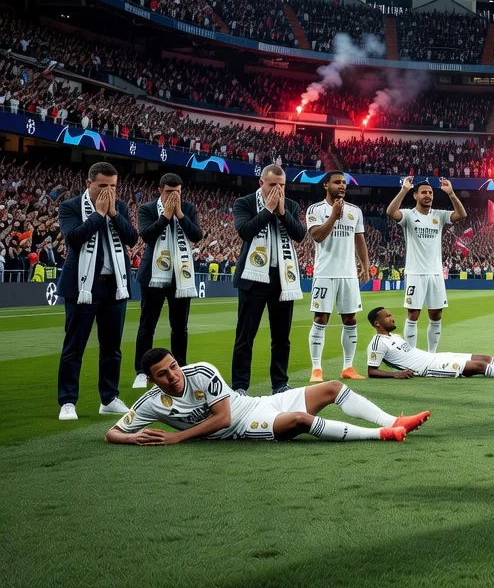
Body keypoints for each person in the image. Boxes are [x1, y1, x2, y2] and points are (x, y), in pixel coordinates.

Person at [105, 347, 427, 444]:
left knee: (332, 387)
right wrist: (132, 439)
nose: (173, 376)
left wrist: (179, 438)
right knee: (301, 421)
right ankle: (382, 434)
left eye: (174, 366)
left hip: (256, 405)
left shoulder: (201, 371)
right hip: (246, 427)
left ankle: (394, 420)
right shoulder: (150, 404)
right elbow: (112, 433)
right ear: (151, 379)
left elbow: (223, 415)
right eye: (163, 374)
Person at [57, 161, 138, 420]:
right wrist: (98, 214)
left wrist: (113, 214)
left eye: (113, 186)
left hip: (115, 286)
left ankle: (109, 397)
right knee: (74, 347)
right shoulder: (70, 207)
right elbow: (74, 239)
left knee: (112, 347)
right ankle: (68, 401)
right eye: (103, 185)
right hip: (82, 287)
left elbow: (132, 238)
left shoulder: (120, 207)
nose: (108, 191)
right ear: (88, 183)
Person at [231, 165, 306, 396]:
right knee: (245, 336)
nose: (278, 190)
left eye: (282, 185)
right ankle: (240, 386)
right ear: (261, 183)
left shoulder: (291, 205)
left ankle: (280, 384)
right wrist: (268, 210)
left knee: (282, 337)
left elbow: (299, 235)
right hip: (253, 279)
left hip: (283, 278)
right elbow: (245, 231)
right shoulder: (244, 203)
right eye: (273, 185)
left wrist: (282, 212)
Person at [133, 173, 203, 389]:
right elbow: (146, 235)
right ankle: (141, 371)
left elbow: (196, 235)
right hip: (153, 275)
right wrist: (165, 216)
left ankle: (181, 367)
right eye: (169, 192)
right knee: (147, 325)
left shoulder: (188, 209)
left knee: (180, 327)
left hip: (180, 276)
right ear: (159, 190)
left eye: (178, 192)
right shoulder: (147, 209)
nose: (174, 196)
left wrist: (180, 214)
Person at [385, 176, 465, 353]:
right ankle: (411, 356)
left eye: (430, 193)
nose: (428, 195)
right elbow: (391, 212)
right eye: (424, 193)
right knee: (413, 314)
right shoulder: (408, 215)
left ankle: (431, 355)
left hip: (435, 273)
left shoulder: (439, 215)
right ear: (416, 196)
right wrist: (403, 190)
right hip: (415, 272)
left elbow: (461, 214)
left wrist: (451, 193)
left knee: (436, 315)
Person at [305, 171, 370, 382]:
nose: (342, 185)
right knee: (320, 318)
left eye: (344, 182)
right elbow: (317, 236)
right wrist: (334, 215)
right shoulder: (315, 210)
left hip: (348, 274)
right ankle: (316, 369)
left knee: (350, 319)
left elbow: (359, 240)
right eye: (337, 182)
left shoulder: (355, 211)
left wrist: (365, 266)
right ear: (326, 185)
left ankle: (348, 367)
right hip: (325, 273)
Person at [365, 306, 494, 379]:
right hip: (428, 369)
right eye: (387, 317)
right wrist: (395, 375)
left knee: (483, 357)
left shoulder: (394, 337)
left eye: (390, 315)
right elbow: (371, 371)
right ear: (377, 323)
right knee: (477, 365)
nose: (392, 318)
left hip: (435, 357)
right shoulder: (377, 343)